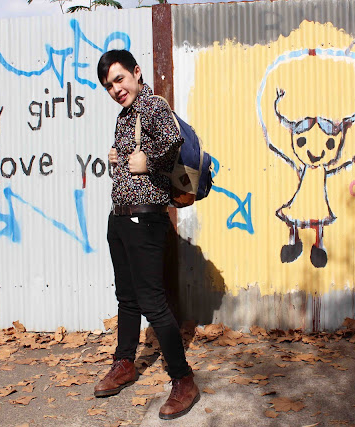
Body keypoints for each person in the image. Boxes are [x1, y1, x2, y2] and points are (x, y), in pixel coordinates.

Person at [93, 49, 200, 420]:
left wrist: (147, 161)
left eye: (119, 79)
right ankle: (124, 363)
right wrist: (118, 159)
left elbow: (170, 142)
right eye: (109, 86)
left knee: (153, 303)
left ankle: (183, 380)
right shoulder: (125, 116)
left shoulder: (152, 105)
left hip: (146, 219)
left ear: (136, 73)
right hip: (120, 219)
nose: (116, 89)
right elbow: (134, 163)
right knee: (127, 298)